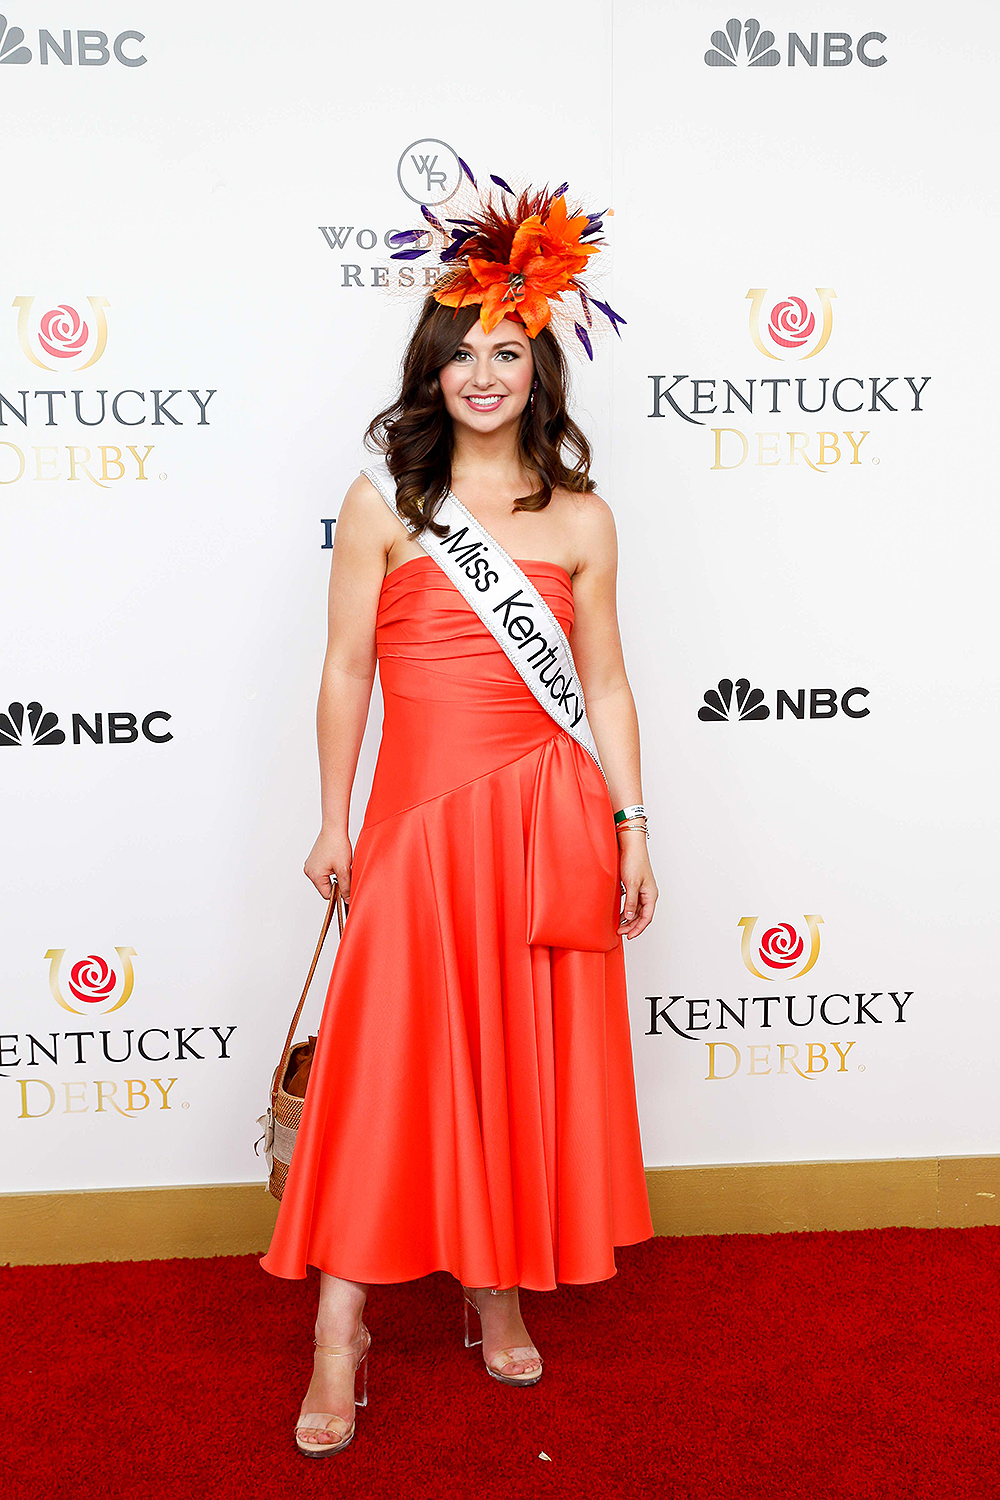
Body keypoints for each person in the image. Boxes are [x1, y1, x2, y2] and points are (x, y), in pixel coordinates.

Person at [259, 167, 658, 1457]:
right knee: (385, 1072)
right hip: (418, 828)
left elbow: (602, 679)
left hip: (545, 824)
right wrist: (335, 821)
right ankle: (340, 1330)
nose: (484, 374)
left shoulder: (587, 517)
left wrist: (634, 826)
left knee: (510, 1062)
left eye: (509, 351)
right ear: (430, 371)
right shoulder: (387, 507)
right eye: (462, 354)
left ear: (540, 370)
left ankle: (496, 1288)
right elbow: (343, 674)